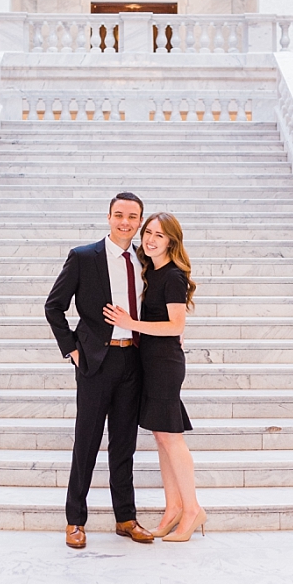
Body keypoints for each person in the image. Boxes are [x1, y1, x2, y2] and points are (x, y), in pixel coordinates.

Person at [44, 192, 154, 550]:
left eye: (133, 216)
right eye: (119, 215)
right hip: (95, 362)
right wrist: (73, 350)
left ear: (140, 221)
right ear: (108, 217)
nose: (126, 222)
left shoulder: (145, 259)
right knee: (87, 443)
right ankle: (75, 520)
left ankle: (126, 517)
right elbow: (54, 307)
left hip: (133, 362)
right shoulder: (83, 257)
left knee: (124, 445)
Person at [104, 212, 206, 542]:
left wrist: (131, 324)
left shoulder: (173, 276)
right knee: (162, 438)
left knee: (171, 438)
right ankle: (173, 507)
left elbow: (176, 325)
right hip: (150, 363)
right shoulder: (152, 271)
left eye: (159, 235)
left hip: (164, 365)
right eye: (148, 232)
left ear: (171, 241)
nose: (150, 239)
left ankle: (192, 509)